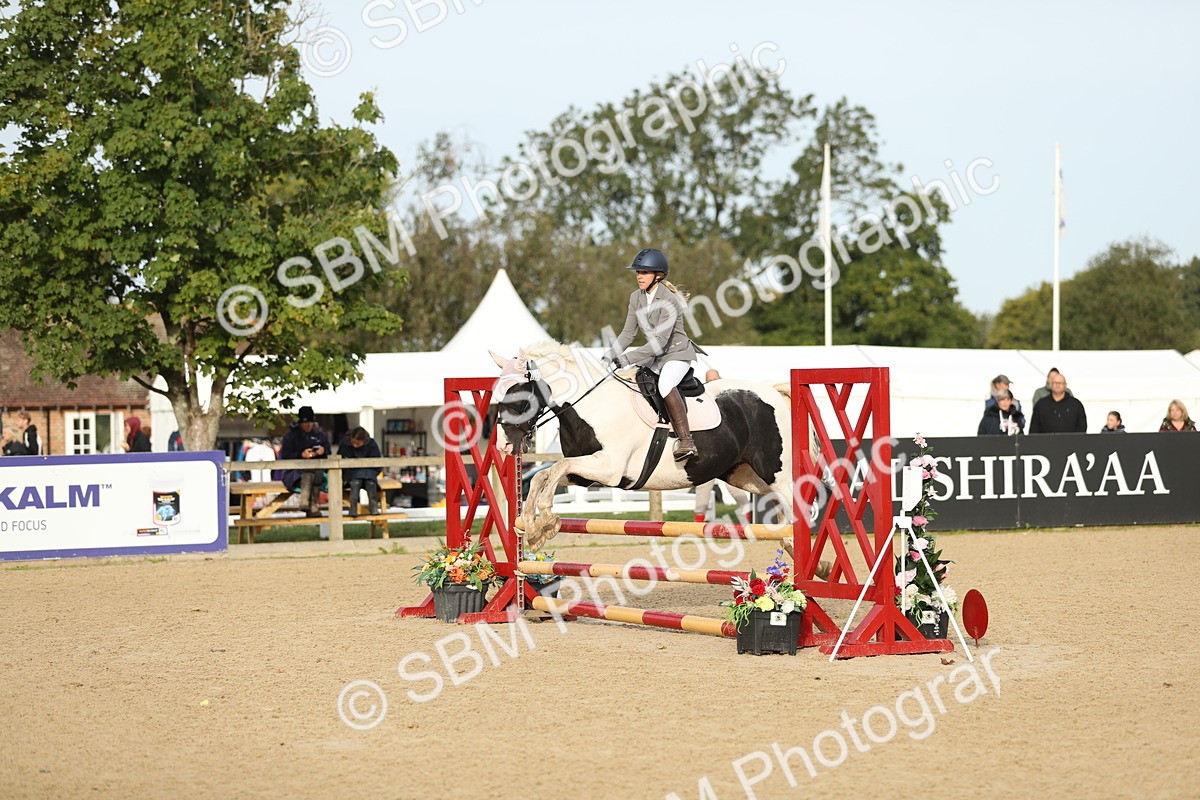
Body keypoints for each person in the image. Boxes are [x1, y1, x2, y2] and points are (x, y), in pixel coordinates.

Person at [602, 248, 705, 461]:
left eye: (644, 273)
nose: (639, 276)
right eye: (638, 272)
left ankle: (686, 440)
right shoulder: (635, 297)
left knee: (665, 384)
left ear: (658, 275)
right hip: (657, 356)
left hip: (677, 353)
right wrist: (610, 354)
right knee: (633, 380)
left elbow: (659, 343)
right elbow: (628, 332)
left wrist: (626, 359)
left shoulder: (670, 301)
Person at [692, 369, 752, 521]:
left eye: (715, 380)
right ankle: (698, 521)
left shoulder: (730, 399)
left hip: (727, 449)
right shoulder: (700, 398)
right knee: (702, 485)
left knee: (735, 484)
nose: (713, 383)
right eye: (710, 381)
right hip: (708, 449)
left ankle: (748, 515)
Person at [279, 406, 331, 516]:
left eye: (311, 422)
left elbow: (328, 453)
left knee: (317, 475)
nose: (308, 425)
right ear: (300, 423)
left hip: (317, 470)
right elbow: (285, 455)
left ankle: (310, 504)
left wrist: (322, 451)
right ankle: (307, 503)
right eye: (305, 423)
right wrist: (300, 454)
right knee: (308, 475)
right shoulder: (290, 437)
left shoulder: (320, 435)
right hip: (295, 473)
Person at [339, 426, 383, 516]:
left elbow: (377, 462)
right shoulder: (345, 444)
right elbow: (342, 460)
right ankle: (353, 508)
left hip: (369, 473)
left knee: (370, 483)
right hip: (352, 473)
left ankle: (373, 507)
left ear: (364, 441)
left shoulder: (371, 444)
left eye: (358, 443)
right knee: (355, 483)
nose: (355, 446)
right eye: (353, 443)